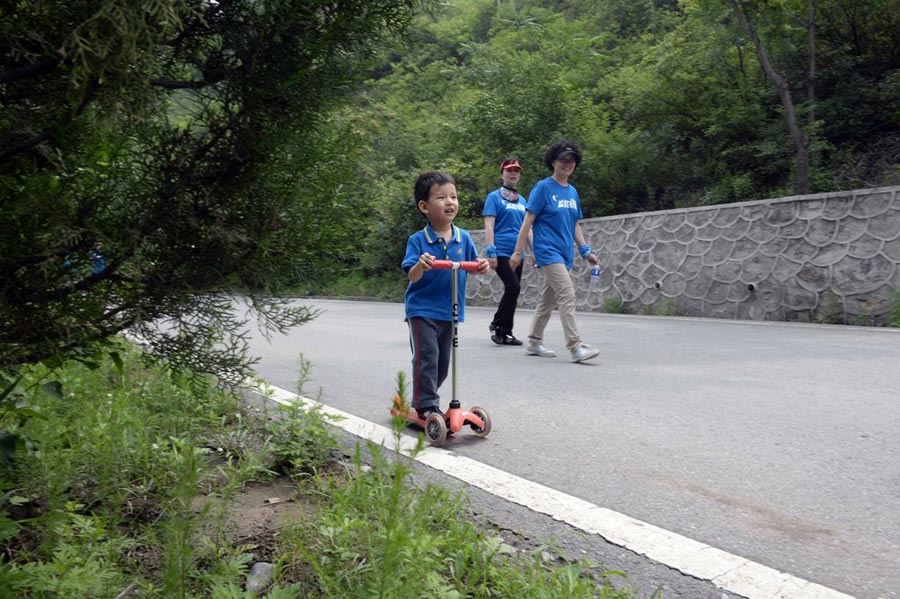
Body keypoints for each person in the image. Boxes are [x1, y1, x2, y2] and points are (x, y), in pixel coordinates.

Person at [402, 171, 491, 419]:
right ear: (424, 207)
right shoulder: (419, 240)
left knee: (442, 364)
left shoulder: (463, 238)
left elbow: (474, 264)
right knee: (427, 357)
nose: (450, 202)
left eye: (453, 196)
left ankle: (425, 397)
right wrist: (422, 264)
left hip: (450, 310)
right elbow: (412, 274)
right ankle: (426, 405)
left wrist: (481, 265)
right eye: (441, 197)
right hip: (422, 310)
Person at [509, 140, 601, 363]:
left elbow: (575, 224)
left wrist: (585, 250)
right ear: (553, 161)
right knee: (567, 294)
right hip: (547, 251)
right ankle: (575, 346)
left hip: (564, 253)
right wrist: (518, 252)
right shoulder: (543, 188)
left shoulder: (572, 193)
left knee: (548, 300)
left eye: (571, 160)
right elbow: (527, 221)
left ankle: (534, 341)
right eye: (563, 159)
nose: (567, 164)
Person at [483, 157, 530, 346]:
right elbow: (489, 224)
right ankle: (497, 324)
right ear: (502, 174)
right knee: (513, 287)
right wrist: (491, 251)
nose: (513, 173)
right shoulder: (494, 197)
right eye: (509, 170)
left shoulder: (522, 200)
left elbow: (528, 228)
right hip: (501, 251)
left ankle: (506, 332)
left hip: (518, 253)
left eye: (516, 171)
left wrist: (537, 252)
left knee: (513, 292)